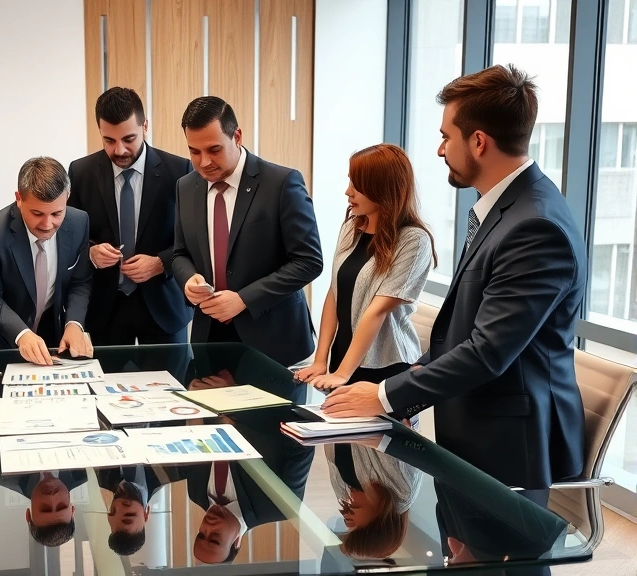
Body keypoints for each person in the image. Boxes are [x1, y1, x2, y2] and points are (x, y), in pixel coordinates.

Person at [322, 65, 587, 502]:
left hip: (508, 448)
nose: (440, 149)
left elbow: (488, 351)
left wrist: (386, 395)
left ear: (479, 141)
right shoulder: (504, 208)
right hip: (475, 429)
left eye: (447, 136)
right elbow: (463, 332)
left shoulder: (534, 225)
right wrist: (407, 384)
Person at [172, 96, 323, 367]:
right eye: (194, 152)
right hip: (211, 339)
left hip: (275, 342)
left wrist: (244, 299)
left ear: (237, 136)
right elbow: (180, 253)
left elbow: (309, 261)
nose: (204, 162)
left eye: (214, 149)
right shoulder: (185, 186)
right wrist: (188, 279)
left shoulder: (282, 183)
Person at [296, 144, 436, 389]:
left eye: (357, 185)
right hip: (342, 360)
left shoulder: (413, 240)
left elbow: (377, 311)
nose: (348, 192)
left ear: (382, 188)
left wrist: (342, 374)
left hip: (385, 366)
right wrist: (321, 360)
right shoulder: (351, 227)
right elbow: (334, 293)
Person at [67, 87, 193, 345]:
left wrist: (161, 263)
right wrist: (91, 252)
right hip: (103, 311)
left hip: (163, 307)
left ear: (145, 126)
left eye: (129, 138)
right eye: (109, 140)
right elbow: (69, 235)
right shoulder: (80, 172)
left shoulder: (180, 171)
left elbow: (194, 239)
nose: (120, 150)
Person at [0, 156, 94, 365]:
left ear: (68, 196)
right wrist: (22, 334)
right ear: (19, 198)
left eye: (57, 213)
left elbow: (80, 282)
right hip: (2, 343)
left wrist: (74, 323)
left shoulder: (79, 222)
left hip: (52, 338)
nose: (47, 224)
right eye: (37, 213)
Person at [324, 440, 422, 560]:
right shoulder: (402, 488)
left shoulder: (344, 489)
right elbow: (395, 435)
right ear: (377, 526)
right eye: (353, 528)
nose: (346, 521)